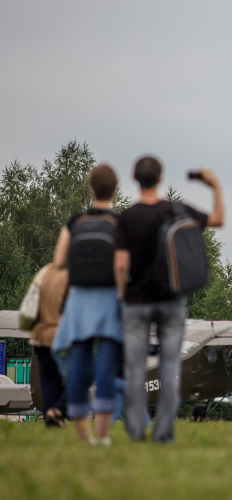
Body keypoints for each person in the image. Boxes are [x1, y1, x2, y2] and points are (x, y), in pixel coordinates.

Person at [114, 158, 223, 443]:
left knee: (136, 369)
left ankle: (137, 431)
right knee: (170, 367)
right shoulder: (177, 211)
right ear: (160, 178)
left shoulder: (126, 217)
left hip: (136, 302)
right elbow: (217, 220)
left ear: (135, 178)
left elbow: (122, 264)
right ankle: (163, 433)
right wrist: (215, 186)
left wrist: (122, 295)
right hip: (171, 300)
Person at [52, 164, 123, 444]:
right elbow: (123, 265)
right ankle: (103, 436)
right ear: (115, 189)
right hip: (108, 299)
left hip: (79, 300)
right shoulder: (119, 224)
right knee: (106, 369)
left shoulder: (75, 222)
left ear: (90, 187)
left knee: (78, 368)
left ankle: (83, 437)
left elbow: (59, 261)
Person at [30, 263, 69, 428]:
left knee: (49, 381)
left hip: (39, 335)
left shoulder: (44, 272)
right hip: (59, 335)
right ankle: (58, 410)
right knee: (78, 377)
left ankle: (51, 418)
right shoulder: (71, 277)